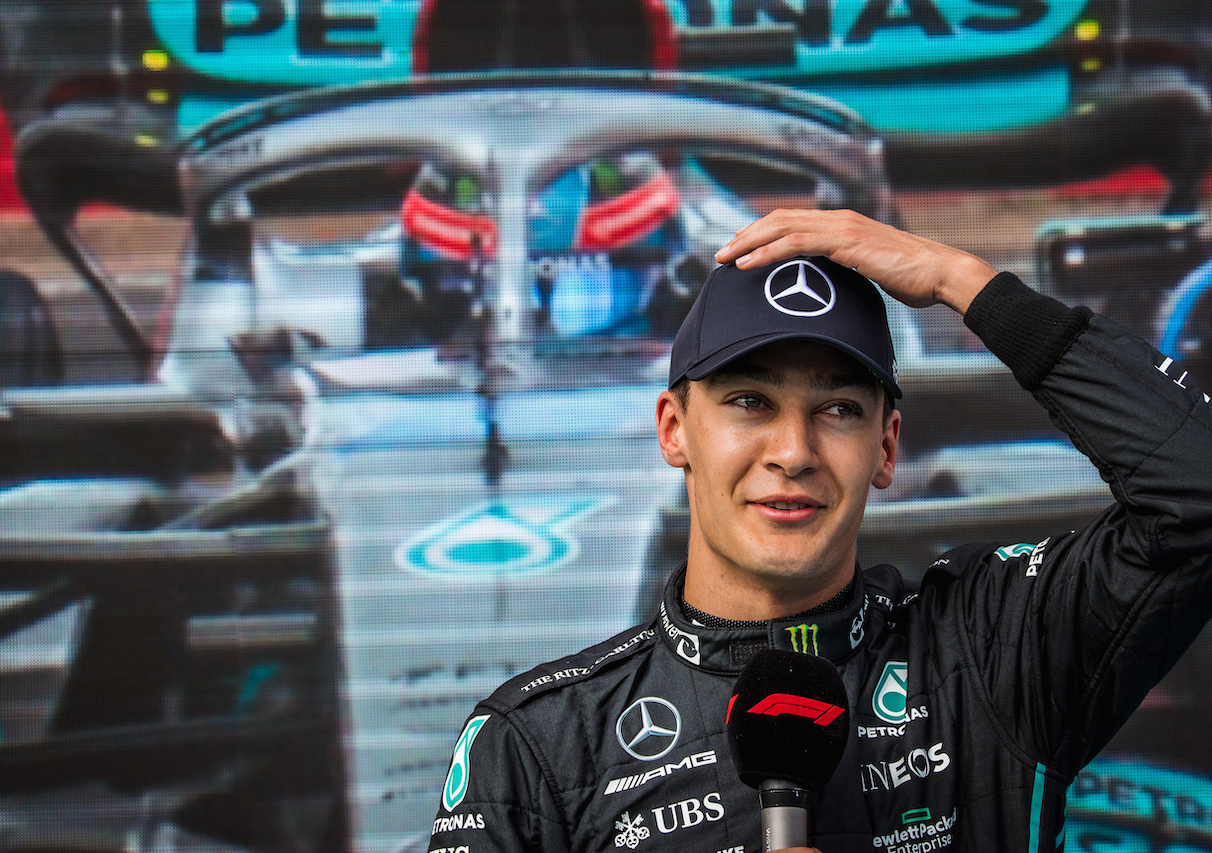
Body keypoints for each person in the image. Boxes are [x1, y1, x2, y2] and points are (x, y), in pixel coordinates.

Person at [423, 208, 1212, 853]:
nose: (794, 452)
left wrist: (958, 279)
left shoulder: (989, 643)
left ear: (888, 446)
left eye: (837, 408)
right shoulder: (538, 744)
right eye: (749, 402)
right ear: (673, 430)